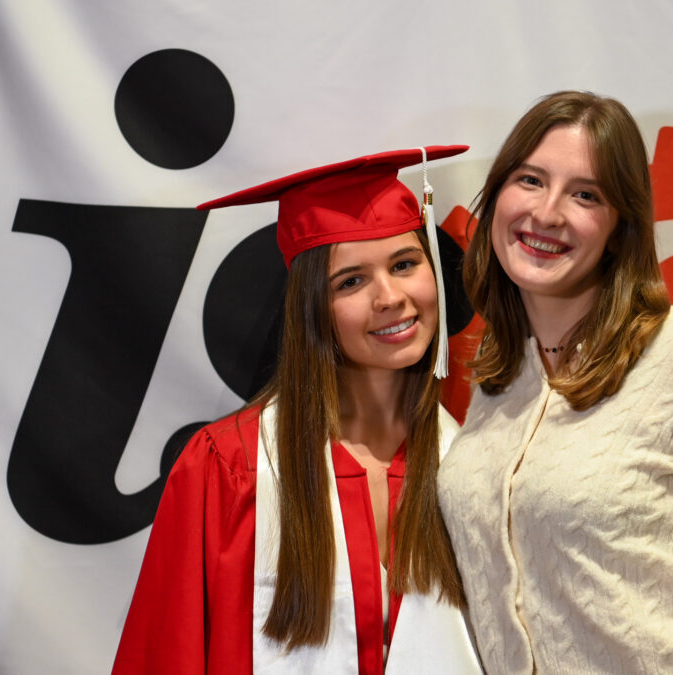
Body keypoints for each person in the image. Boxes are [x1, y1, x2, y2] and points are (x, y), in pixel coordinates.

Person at [438, 91, 673, 674]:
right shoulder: (499, 374)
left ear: (619, 228)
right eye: (531, 180)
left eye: (585, 194)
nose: (548, 213)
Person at [113, 147, 481, 674]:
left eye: (404, 264)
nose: (390, 297)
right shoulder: (229, 468)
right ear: (312, 309)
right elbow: (166, 654)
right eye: (351, 281)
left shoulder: (472, 466)